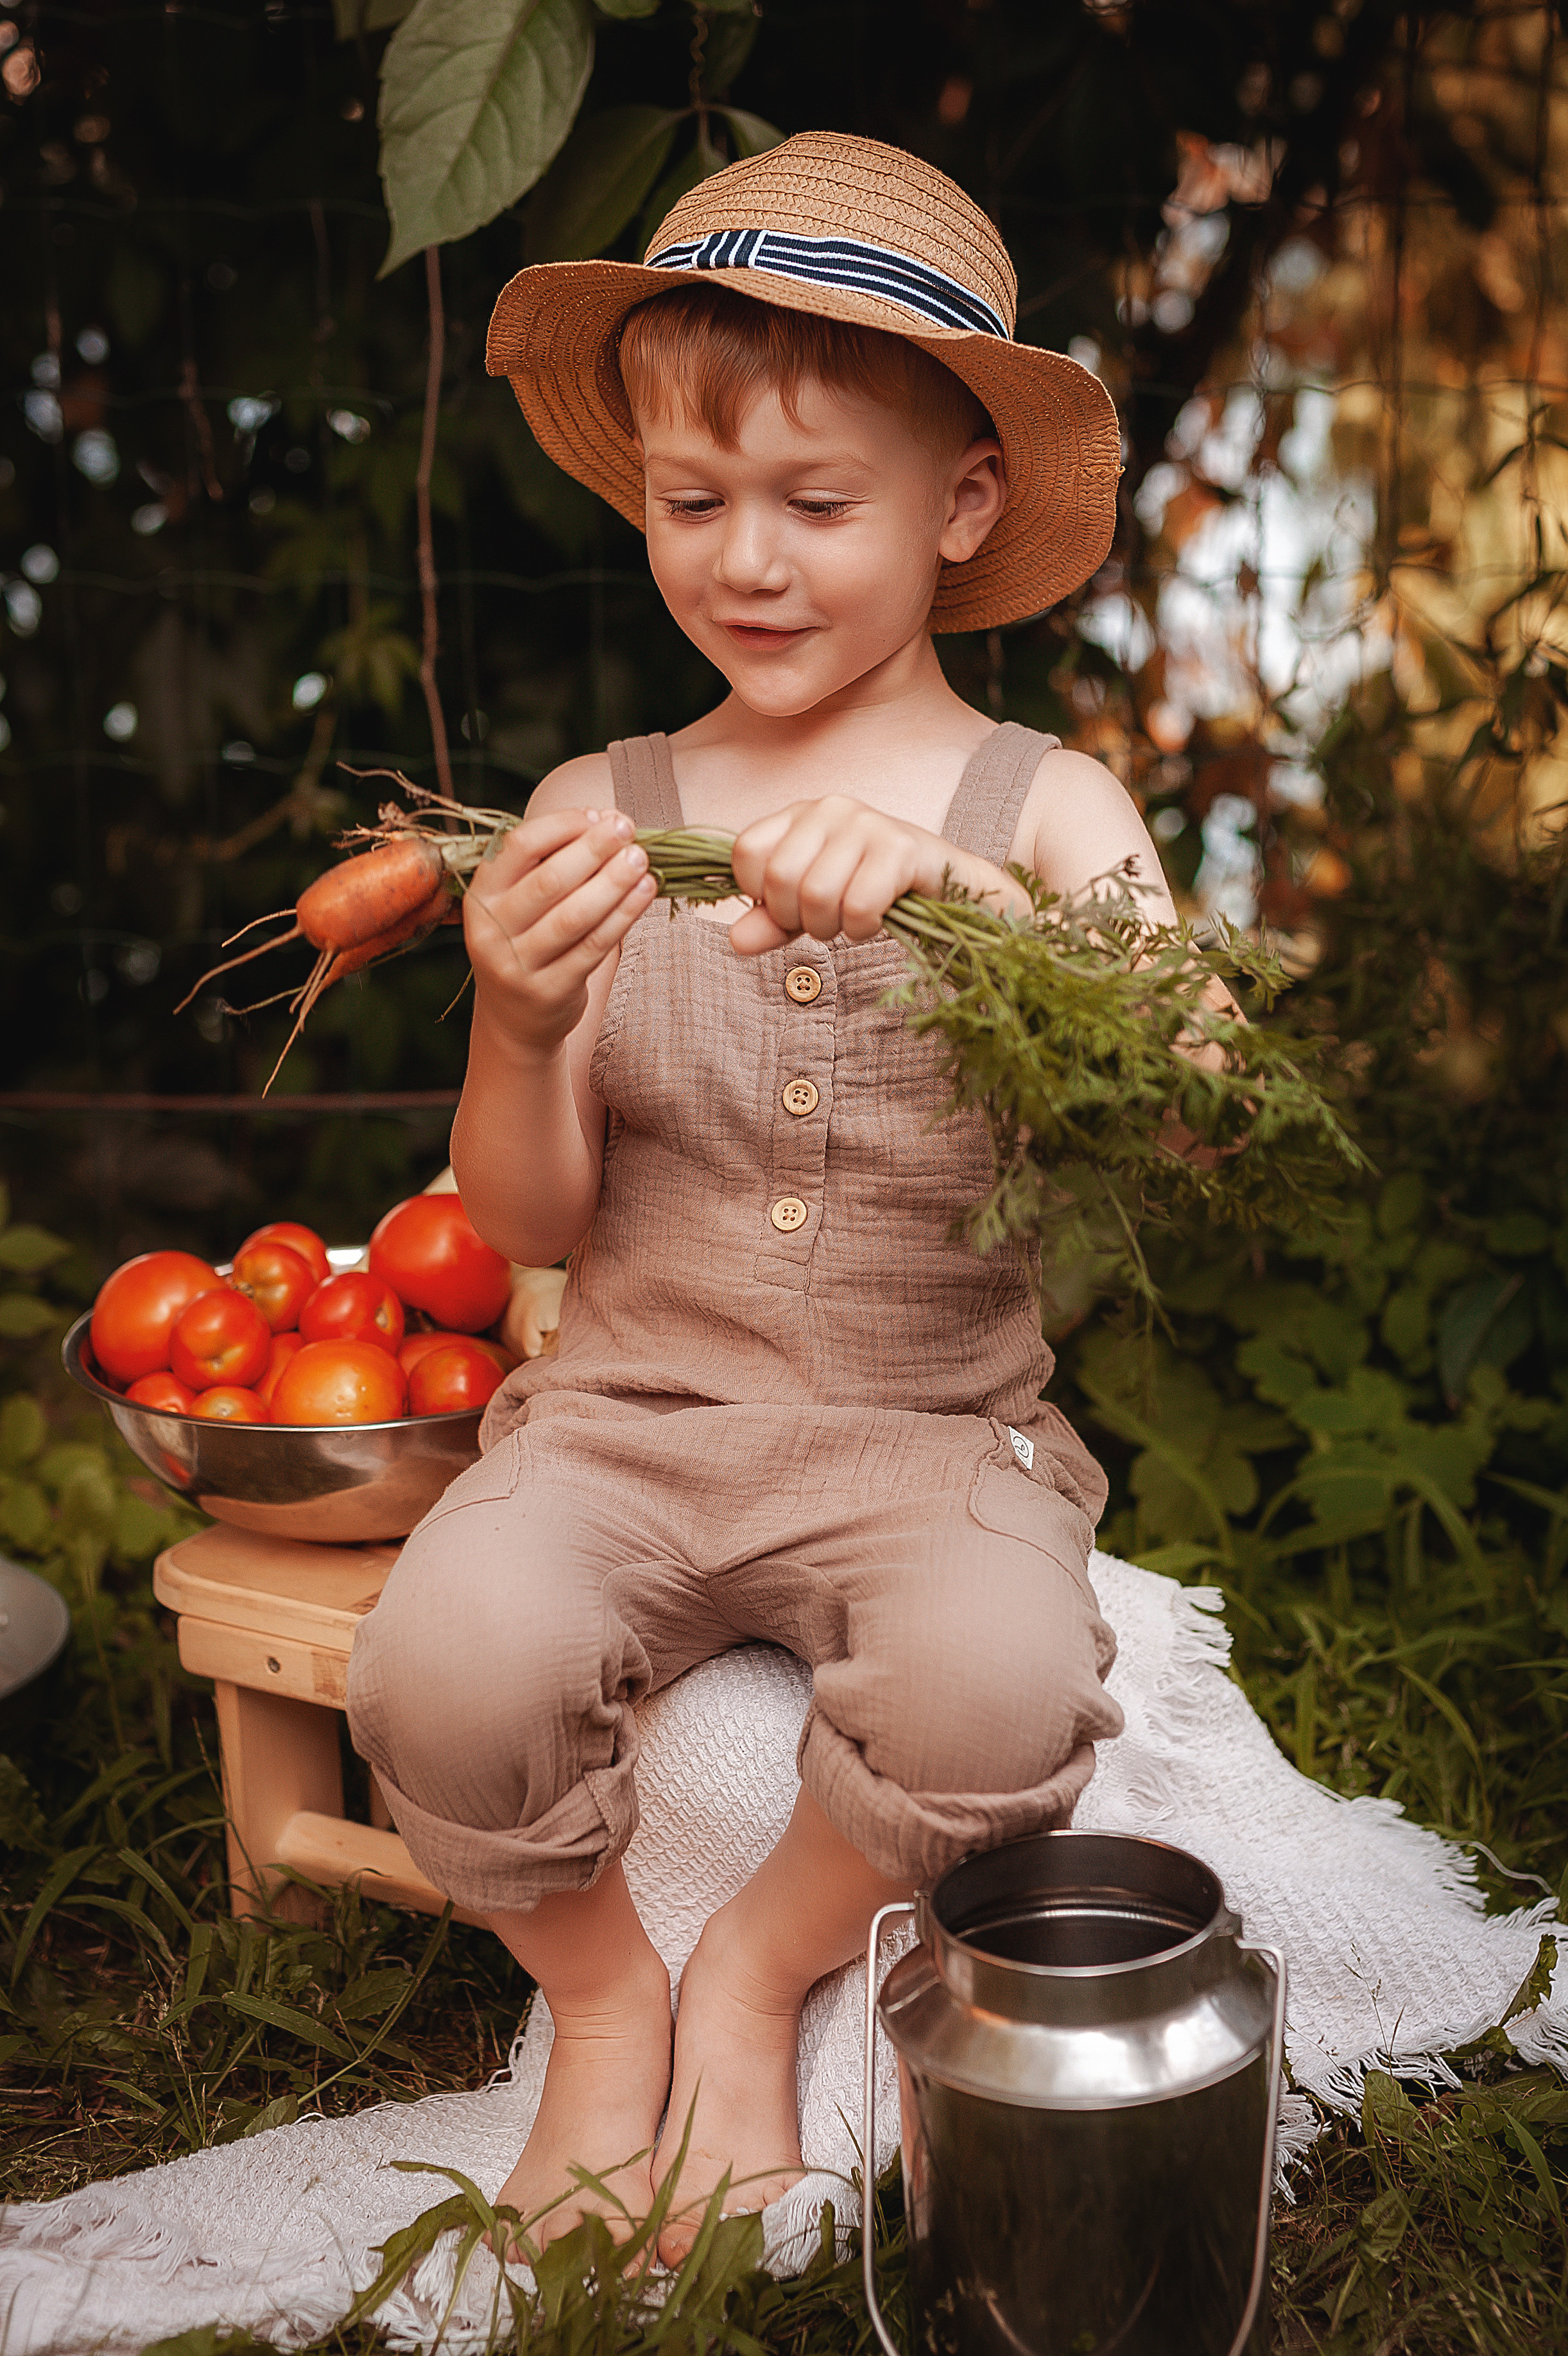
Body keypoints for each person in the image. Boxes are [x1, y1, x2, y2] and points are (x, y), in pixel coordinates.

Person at [347, 130, 1175, 2267]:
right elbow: (525, 1225)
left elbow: (1199, 1102)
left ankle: (759, 1964)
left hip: (925, 1439)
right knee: (442, 1663)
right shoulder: (591, 814)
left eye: (818, 504)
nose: (749, 559)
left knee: (997, 1691)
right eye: (692, 504)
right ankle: (606, 1996)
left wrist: (986, 909)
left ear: (960, 504)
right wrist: (519, 1026)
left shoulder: (1046, 806)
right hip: (628, 1419)